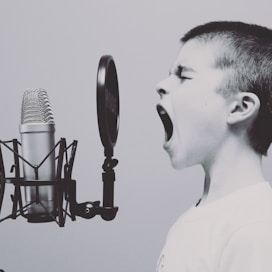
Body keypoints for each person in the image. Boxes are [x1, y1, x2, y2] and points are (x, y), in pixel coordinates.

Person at [156, 21, 272, 272]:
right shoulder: (189, 222)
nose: (161, 85)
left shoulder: (256, 227)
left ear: (240, 108)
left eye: (183, 76)